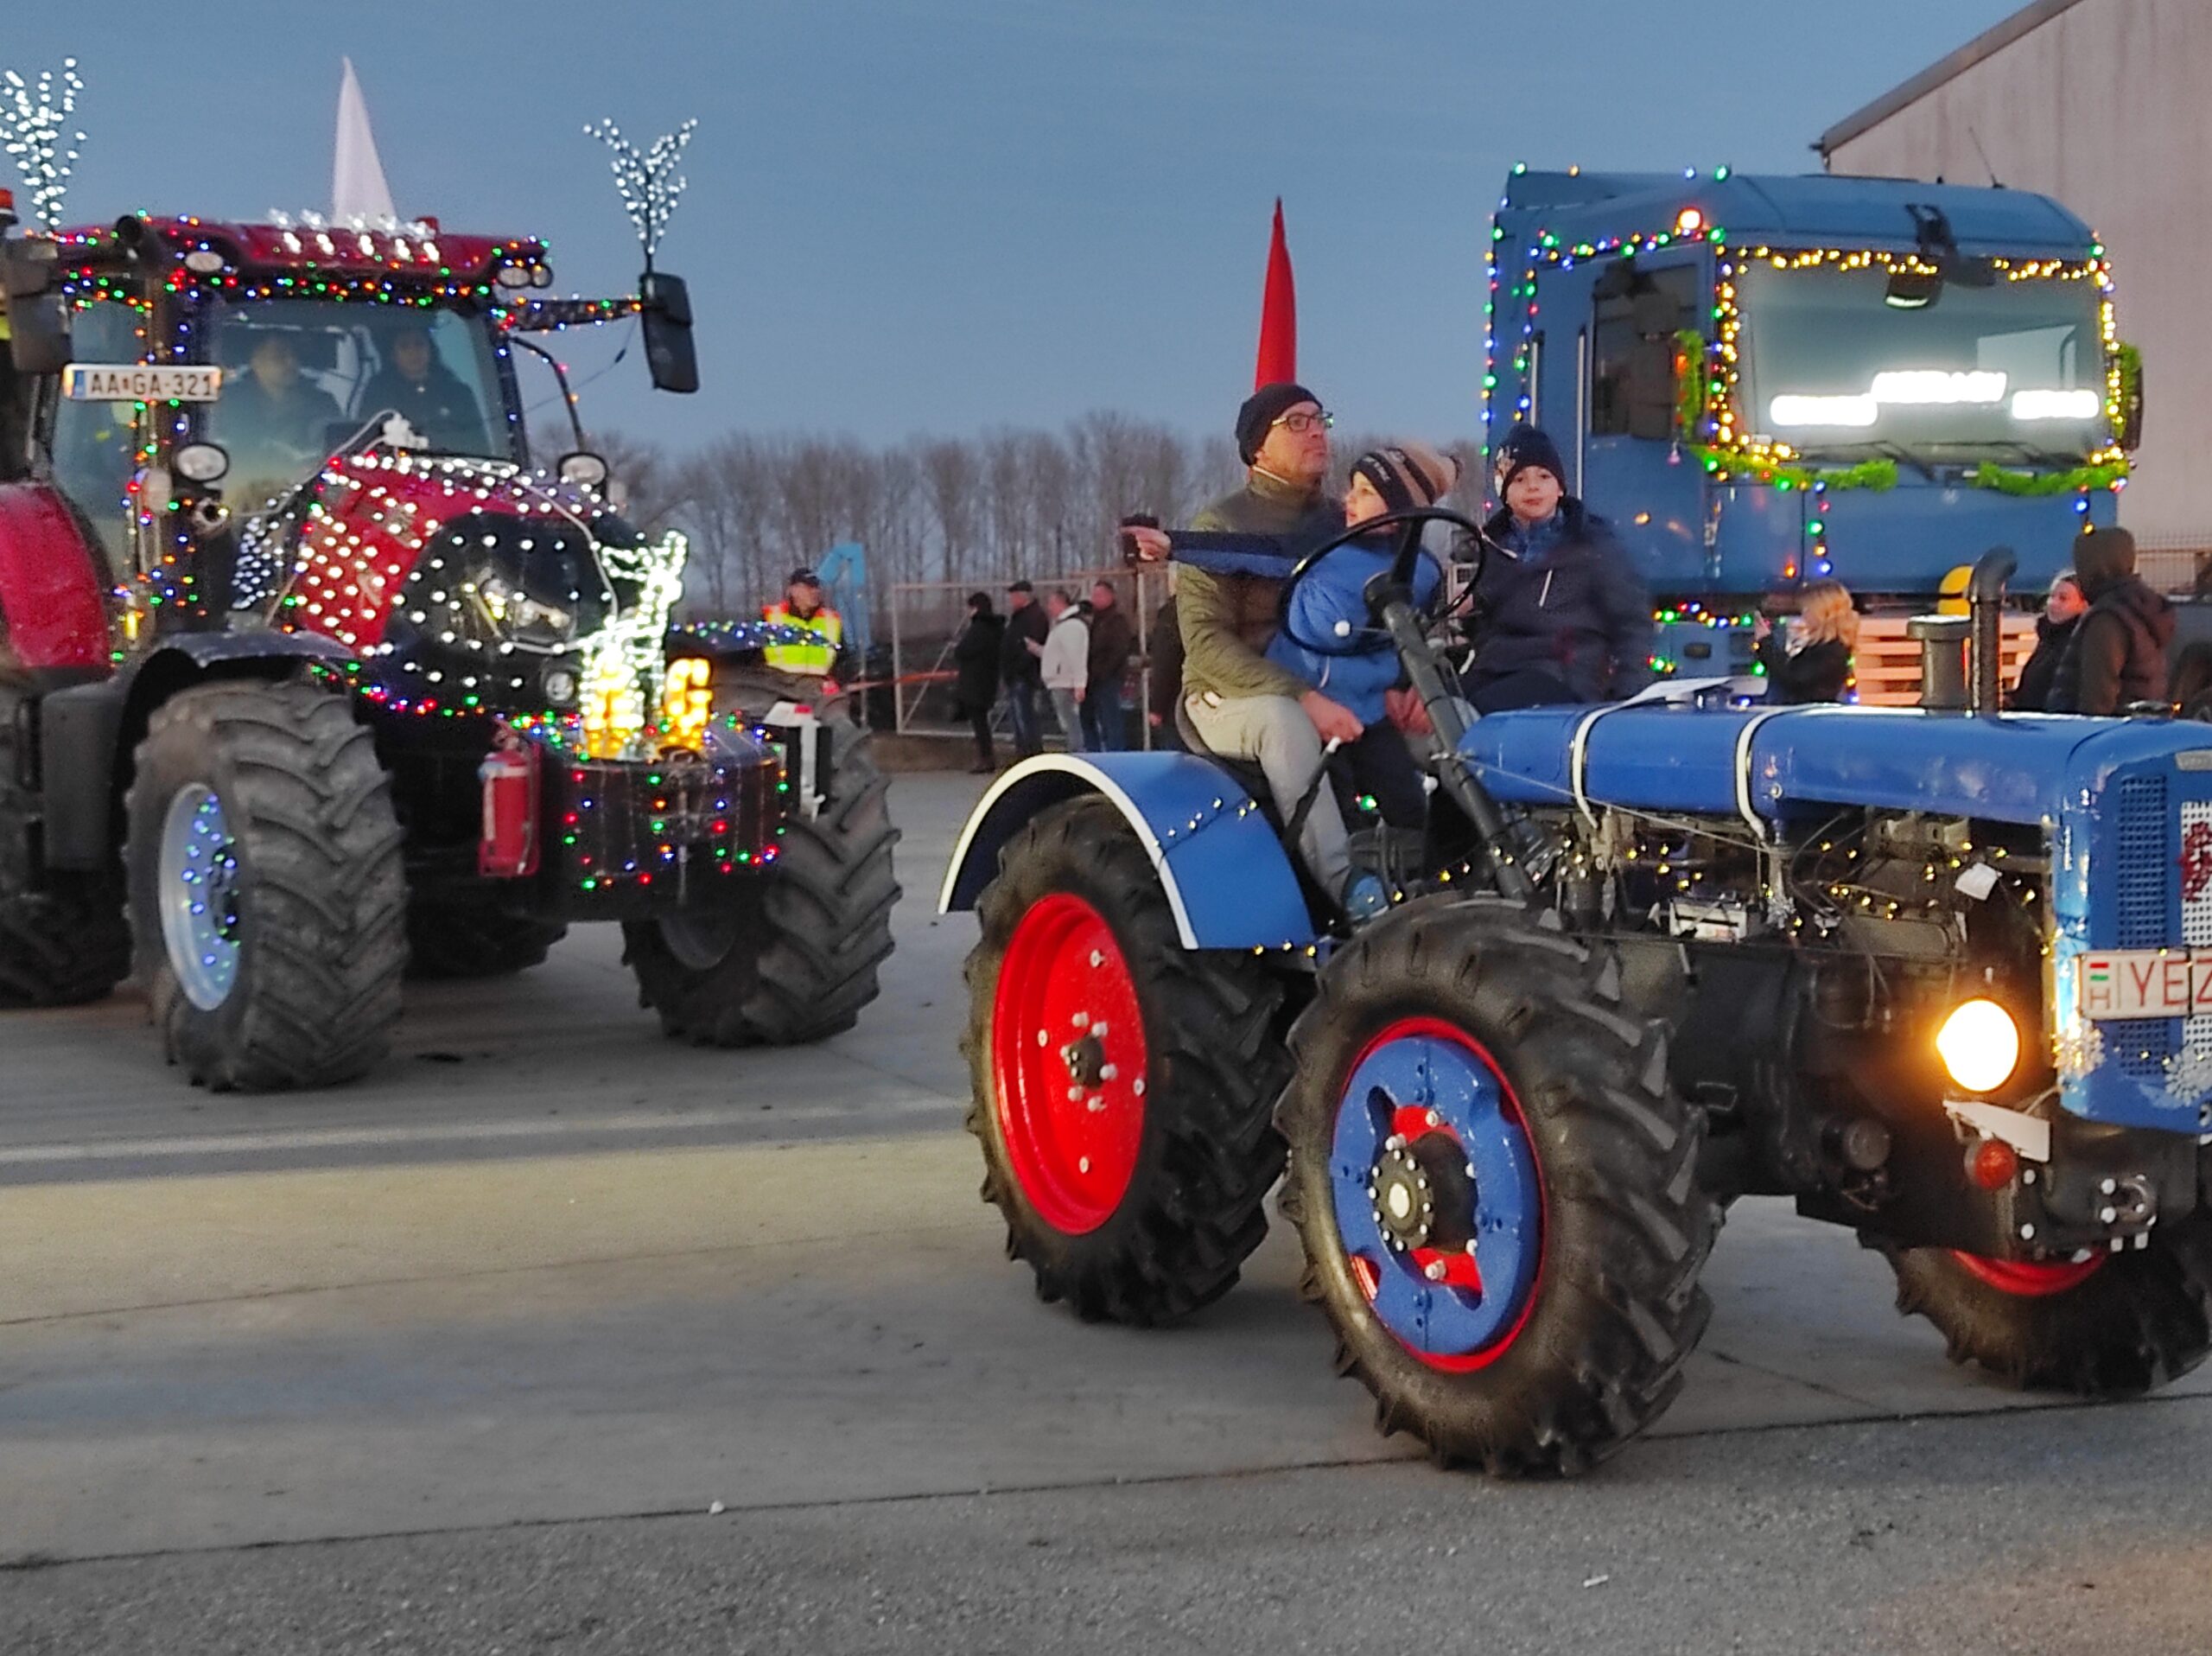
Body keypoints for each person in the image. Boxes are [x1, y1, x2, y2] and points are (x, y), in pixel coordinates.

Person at [1140, 383, 1385, 922]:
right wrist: (1301, 696)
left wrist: (1403, 686)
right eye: (1296, 423)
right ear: (1257, 449)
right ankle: (1349, 886)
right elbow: (1206, 643)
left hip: (1331, 682)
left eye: (1320, 419)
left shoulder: (1341, 521)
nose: (1317, 432)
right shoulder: (1220, 527)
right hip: (1231, 696)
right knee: (1283, 722)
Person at [1266, 442, 1458, 830]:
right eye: (1352, 487)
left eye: (1366, 491)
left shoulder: (1423, 572)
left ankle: (1425, 860)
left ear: (1401, 509)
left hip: (1369, 707)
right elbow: (1243, 550)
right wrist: (1173, 544)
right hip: (1308, 701)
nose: (1348, 499)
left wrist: (1411, 685)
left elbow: (1412, 635)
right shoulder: (1318, 547)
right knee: (1338, 810)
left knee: (1408, 803)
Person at [1464, 423, 1651, 710]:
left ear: (1560, 487)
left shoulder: (1592, 546)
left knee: (1483, 708)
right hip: (1496, 666)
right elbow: (1480, 626)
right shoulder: (1489, 549)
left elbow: (1632, 622)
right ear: (1505, 493)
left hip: (1563, 673)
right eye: (1519, 480)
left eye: (1544, 476)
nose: (1533, 487)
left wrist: (1627, 694)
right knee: (1442, 707)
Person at [2050, 526, 2173, 716]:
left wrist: (2087, 726)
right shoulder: (2141, 607)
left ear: (2096, 567)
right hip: (2139, 724)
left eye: (2082, 565)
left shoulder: (2107, 618)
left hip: (2101, 729)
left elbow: (2098, 696)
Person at [218, 331, 342, 492]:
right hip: (235, 487)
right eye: (279, 357)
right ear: (255, 362)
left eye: (294, 356)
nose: (291, 362)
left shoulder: (322, 404)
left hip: (305, 489)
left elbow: (337, 450)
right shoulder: (228, 401)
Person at [359, 323, 485, 453]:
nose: (413, 352)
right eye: (404, 346)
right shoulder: (378, 393)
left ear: (431, 350)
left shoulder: (458, 394)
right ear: (393, 356)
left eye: (419, 344)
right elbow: (366, 439)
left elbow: (477, 442)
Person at [1755, 579, 1858, 704]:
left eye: (1807, 609)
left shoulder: (1831, 652)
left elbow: (1794, 679)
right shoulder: (1821, 647)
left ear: (1822, 613)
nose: (1804, 614)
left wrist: (1766, 643)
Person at [762, 567, 852, 697]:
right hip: (780, 694)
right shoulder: (770, 618)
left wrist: (836, 682)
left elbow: (843, 661)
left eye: (817, 587)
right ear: (793, 590)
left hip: (820, 696)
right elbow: (755, 661)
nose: (815, 592)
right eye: (809, 588)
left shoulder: (832, 621)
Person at [2009, 572, 2087, 711]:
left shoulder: (2080, 643)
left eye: (2063, 598)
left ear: (2084, 605)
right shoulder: (2047, 640)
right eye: (2051, 596)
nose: (2053, 603)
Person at [950, 591, 1005, 774]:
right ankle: (986, 756)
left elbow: (963, 651)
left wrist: (959, 649)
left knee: (979, 723)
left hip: (975, 683)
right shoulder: (995, 629)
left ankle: (986, 758)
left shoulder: (980, 628)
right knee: (981, 722)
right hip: (987, 681)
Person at [1083, 579, 1135, 752]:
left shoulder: (1117, 621)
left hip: (1109, 679)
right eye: (1094, 595)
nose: (1095, 599)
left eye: (1099, 595)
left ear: (1111, 596)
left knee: (1111, 721)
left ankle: (1116, 753)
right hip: (1093, 680)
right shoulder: (1095, 621)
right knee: (1093, 720)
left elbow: (1118, 651)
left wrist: (1102, 673)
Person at [999, 580, 1049, 757]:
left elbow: (1032, 646)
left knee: (1026, 718)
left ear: (1023, 596)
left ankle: (1031, 755)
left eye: (1014, 596)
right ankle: (1023, 753)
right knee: (1018, 719)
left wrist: (1017, 668)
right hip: (1016, 675)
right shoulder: (1019, 616)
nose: (1011, 600)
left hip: (1025, 676)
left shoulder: (1034, 617)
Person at [1039, 589, 1090, 752]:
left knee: (1071, 723)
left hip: (1065, 682)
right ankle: (1076, 751)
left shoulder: (1071, 626)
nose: (1049, 608)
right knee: (1068, 723)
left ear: (1061, 603)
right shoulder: (1062, 626)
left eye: (1051, 603)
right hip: (1061, 681)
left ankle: (1077, 754)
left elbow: (1076, 655)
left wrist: (1079, 684)